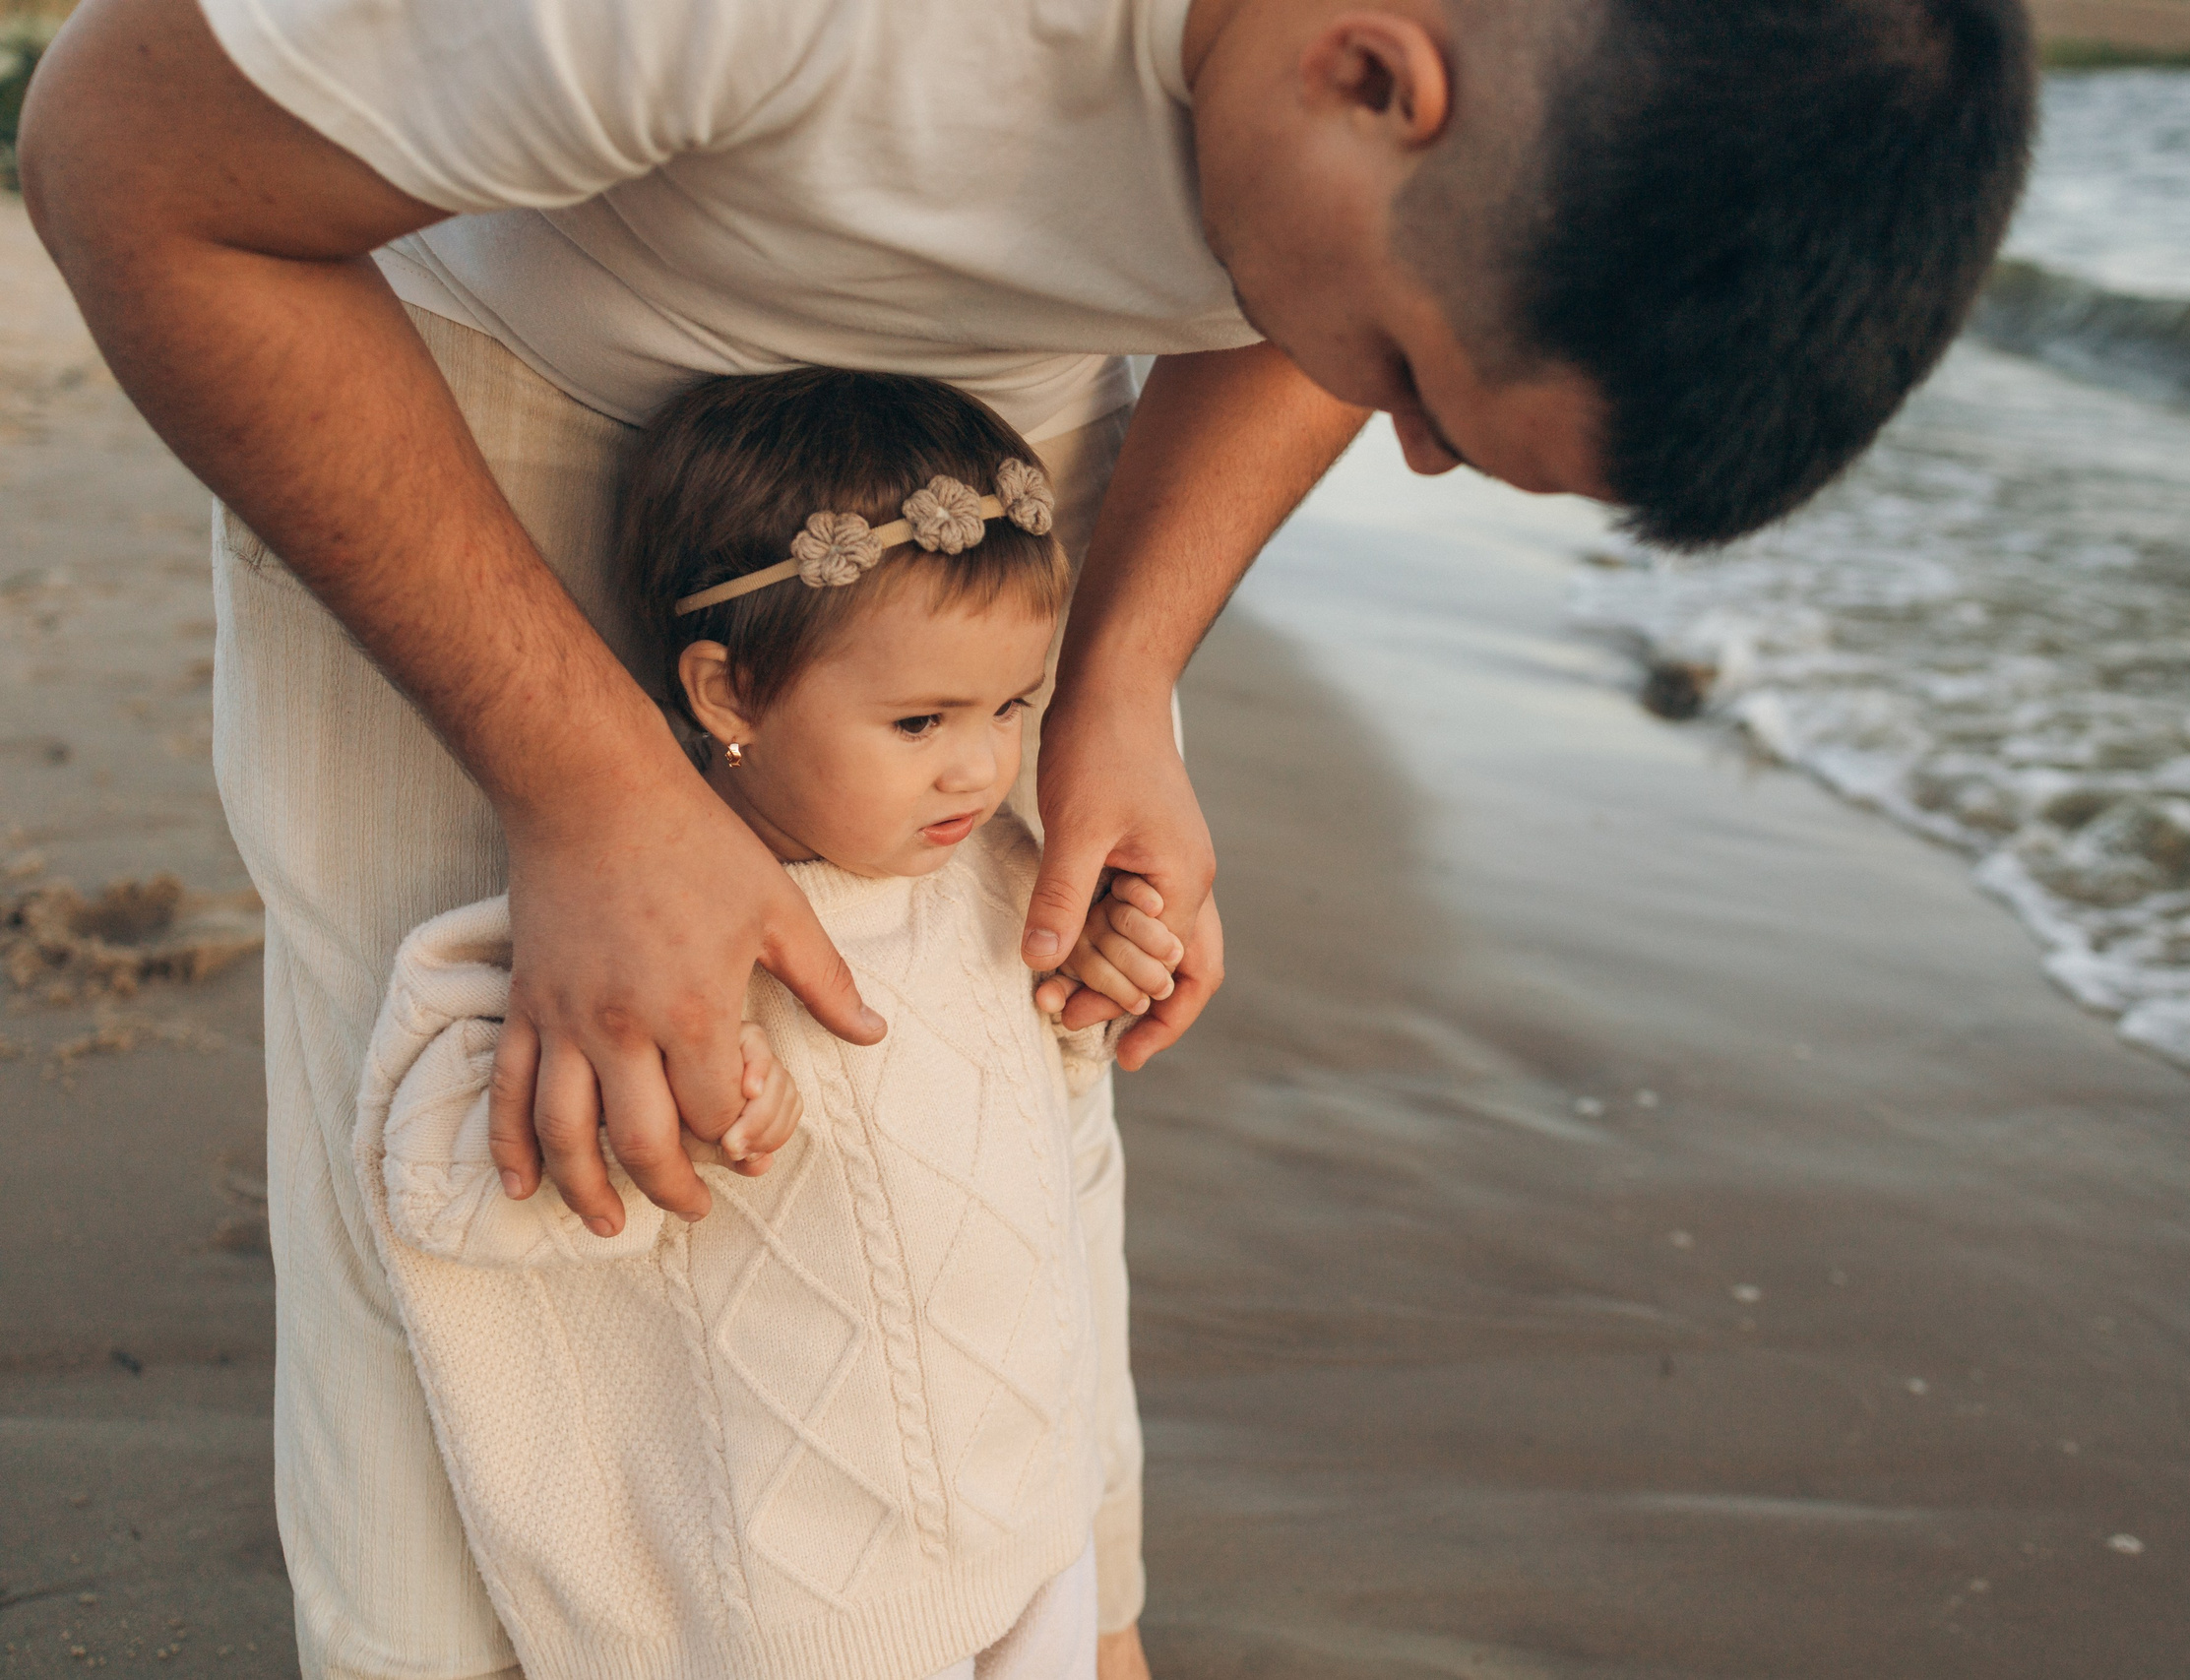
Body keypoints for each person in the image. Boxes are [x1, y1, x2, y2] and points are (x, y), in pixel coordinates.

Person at [18, 0, 2035, 1672]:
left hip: (973, 458)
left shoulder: (1404, 140)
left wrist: (1121, 670)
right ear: (1368, 71)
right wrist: (583, 778)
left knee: (981, 1133)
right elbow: (126, 165)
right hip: (490, 375)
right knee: (512, 1165)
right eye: (1418, 388)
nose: (1396, 442)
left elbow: (1301, 306)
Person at [359, 367, 1178, 1680]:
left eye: (1014, 708)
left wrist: (1094, 975)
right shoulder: (641, 943)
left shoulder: (998, 878)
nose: (979, 765)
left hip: (1027, 1525)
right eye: (920, 721)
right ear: (728, 694)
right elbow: (444, 1183)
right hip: (802, 1594)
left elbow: (1044, 1132)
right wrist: (677, 1103)